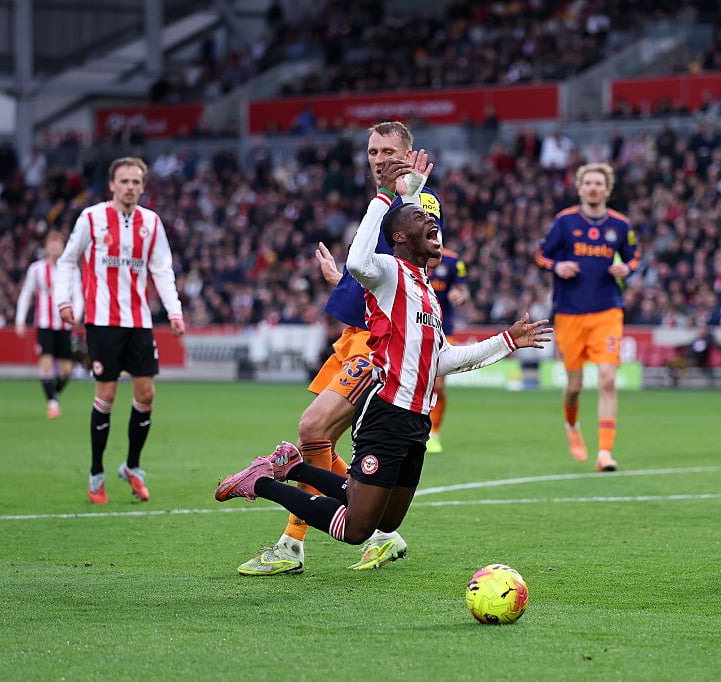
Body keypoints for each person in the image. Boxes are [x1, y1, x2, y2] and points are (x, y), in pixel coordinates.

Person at [215, 154, 552, 557]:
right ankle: (263, 482)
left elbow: (440, 360)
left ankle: (291, 466)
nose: (431, 222)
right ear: (399, 237)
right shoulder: (388, 272)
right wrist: (386, 195)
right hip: (386, 412)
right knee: (358, 528)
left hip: (416, 422)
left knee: (388, 521)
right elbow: (358, 261)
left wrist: (506, 342)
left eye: (433, 220)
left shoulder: (428, 294)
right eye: (418, 219)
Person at [236, 121, 443, 576]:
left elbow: (420, 261)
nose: (379, 159)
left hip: (381, 345)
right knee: (316, 434)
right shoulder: (382, 201)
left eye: (390, 151)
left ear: (409, 154)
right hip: (354, 334)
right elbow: (374, 269)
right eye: (372, 151)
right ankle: (379, 530)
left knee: (313, 427)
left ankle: (293, 543)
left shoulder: (419, 203)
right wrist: (345, 282)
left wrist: (403, 196)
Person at [54, 156, 185, 504]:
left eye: (135, 182)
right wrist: (63, 301)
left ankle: (132, 466)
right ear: (112, 185)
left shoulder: (152, 223)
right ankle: (96, 474)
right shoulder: (92, 218)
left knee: (146, 396)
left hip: (139, 321)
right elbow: (67, 260)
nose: (129, 187)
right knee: (107, 395)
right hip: (102, 321)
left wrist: (174, 310)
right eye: (123, 181)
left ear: (143, 186)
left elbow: (162, 270)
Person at [535, 162, 639, 472]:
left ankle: (605, 452)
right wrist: (557, 267)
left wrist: (627, 269)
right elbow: (542, 255)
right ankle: (571, 426)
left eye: (599, 184)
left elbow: (634, 256)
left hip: (608, 310)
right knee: (575, 386)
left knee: (608, 380)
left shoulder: (620, 225)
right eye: (588, 183)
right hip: (569, 313)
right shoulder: (565, 222)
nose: (593, 188)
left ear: (607, 190)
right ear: (580, 188)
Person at [15, 230, 83, 419]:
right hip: (44, 324)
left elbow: (78, 294)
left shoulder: (71, 270)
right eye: (51, 244)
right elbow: (26, 295)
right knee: (45, 361)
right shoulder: (36, 270)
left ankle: (54, 395)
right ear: (46, 247)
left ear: (63, 247)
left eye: (58, 244)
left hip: (64, 326)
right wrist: (20, 321)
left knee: (66, 370)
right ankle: (52, 403)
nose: (54, 248)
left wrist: (76, 315)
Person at [426, 245, 469, 453]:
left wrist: (461, 295)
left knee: (439, 385)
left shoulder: (453, 261)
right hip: (412, 327)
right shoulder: (407, 254)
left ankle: (434, 433)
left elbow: (464, 290)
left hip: (443, 329)